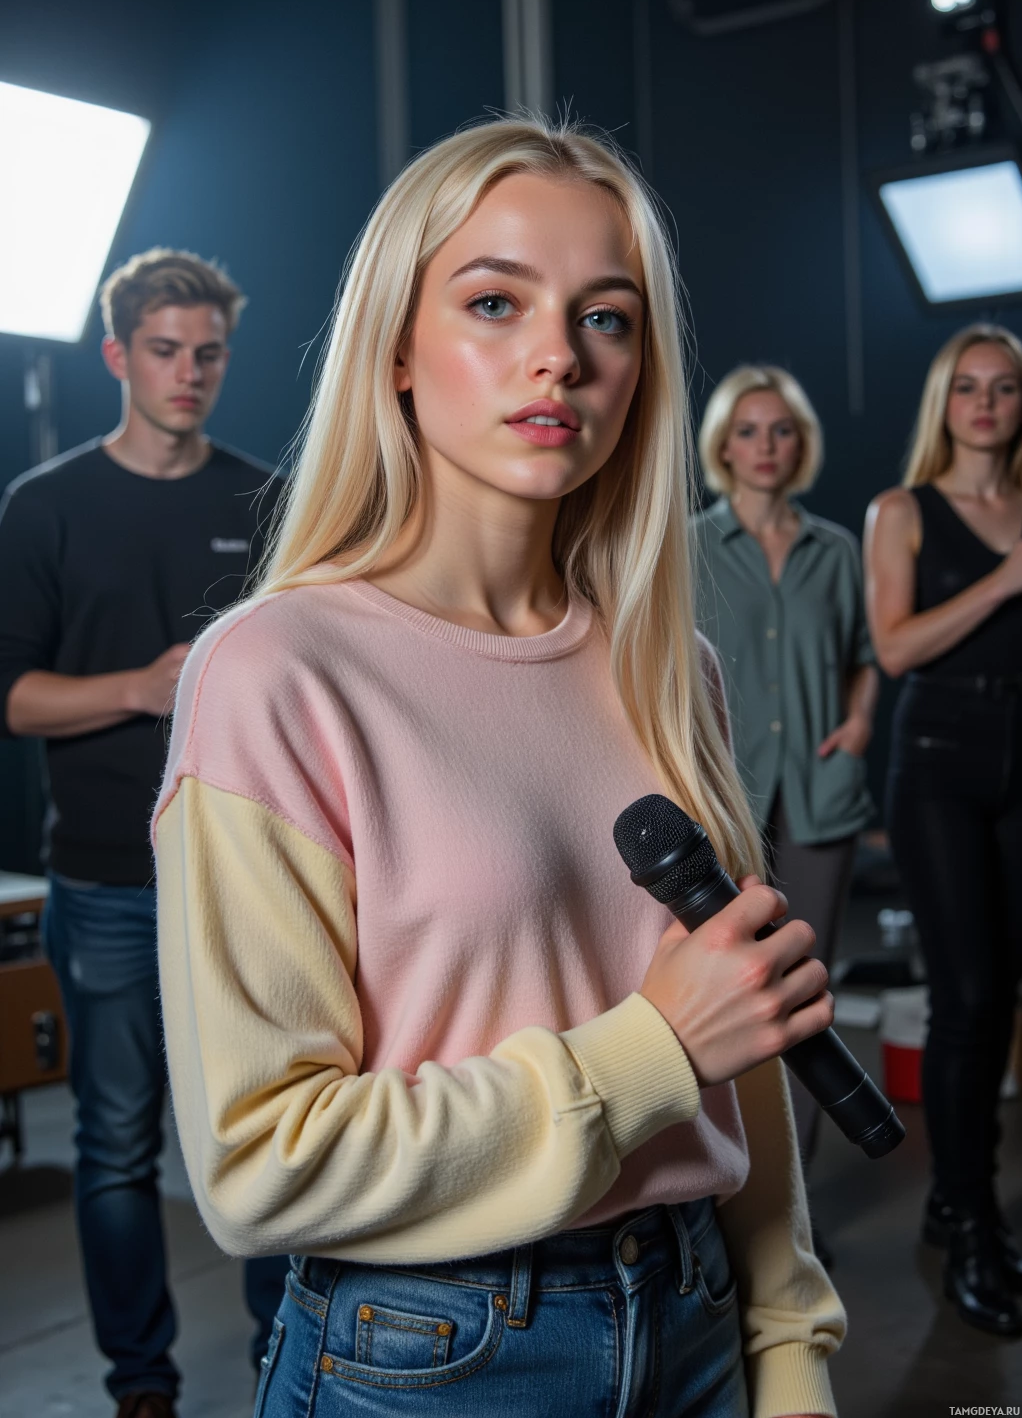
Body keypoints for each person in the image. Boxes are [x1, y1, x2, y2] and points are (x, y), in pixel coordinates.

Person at [154, 120, 844, 1418]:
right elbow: (261, 1165)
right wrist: (651, 1049)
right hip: (433, 1353)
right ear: (397, 349)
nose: (557, 357)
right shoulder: (279, 675)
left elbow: (740, 1028)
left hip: (695, 1324)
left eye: (607, 318)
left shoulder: (664, 658)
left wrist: (791, 1343)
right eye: (493, 300)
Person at [0, 250, 289, 1418]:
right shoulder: (46, 506)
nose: (188, 374)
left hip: (244, 877)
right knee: (117, 1148)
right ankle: (141, 1383)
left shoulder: (264, 496)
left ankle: (289, 1357)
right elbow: (11, 696)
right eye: (164, 352)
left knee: (269, 1132)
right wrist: (138, 687)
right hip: (110, 882)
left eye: (208, 353)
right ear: (120, 357)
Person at [865, 324, 1022, 1339]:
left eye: (1002, 388)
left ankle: (949, 1196)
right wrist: (1008, 577)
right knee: (966, 995)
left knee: (1003, 989)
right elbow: (892, 646)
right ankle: (971, 1221)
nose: (983, 403)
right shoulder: (902, 510)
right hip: (936, 766)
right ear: (943, 403)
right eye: (965, 387)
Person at [691, 367, 878, 1186]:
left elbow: (870, 654)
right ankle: (731, 1187)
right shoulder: (688, 544)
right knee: (728, 992)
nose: (765, 447)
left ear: (800, 446)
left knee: (806, 997)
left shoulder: (837, 551)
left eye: (782, 431)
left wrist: (862, 717)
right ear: (722, 446)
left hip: (818, 790)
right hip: (726, 796)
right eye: (748, 431)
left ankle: (792, 1205)